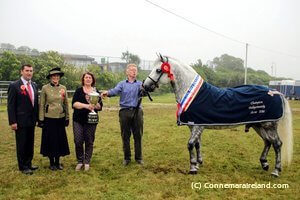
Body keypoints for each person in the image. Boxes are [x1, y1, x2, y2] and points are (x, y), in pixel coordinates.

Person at [102, 63, 144, 166]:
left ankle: (138, 158)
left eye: (135, 70)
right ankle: (127, 158)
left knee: (138, 135)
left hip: (137, 111)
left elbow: (147, 91)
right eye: (132, 70)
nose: (134, 72)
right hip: (124, 112)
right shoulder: (122, 84)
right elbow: (115, 91)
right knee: (125, 136)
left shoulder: (140, 84)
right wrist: (107, 92)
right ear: (127, 72)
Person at [7, 64, 39, 175]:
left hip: (31, 120)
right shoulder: (14, 85)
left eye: (31, 71)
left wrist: (37, 118)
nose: (29, 73)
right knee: (22, 144)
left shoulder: (34, 85)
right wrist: (12, 121)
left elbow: (35, 103)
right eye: (27, 70)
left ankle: (29, 163)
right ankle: (23, 166)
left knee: (30, 143)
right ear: (21, 71)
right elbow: (11, 105)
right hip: (20, 121)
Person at [38, 67, 70, 170]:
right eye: (53, 76)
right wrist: (41, 119)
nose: (55, 78)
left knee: (59, 140)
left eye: (57, 76)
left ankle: (58, 162)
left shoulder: (63, 88)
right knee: (51, 140)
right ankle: (52, 163)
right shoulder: (45, 88)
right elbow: (42, 104)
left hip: (60, 117)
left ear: (59, 77)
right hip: (49, 118)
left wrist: (67, 117)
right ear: (50, 78)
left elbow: (66, 103)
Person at [72, 72, 103, 171]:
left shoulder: (96, 92)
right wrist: (86, 106)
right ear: (83, 79)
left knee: (89, 141)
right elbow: (74, 104)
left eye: (90, 77)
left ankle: (87, 161)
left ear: (92, 80)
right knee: (78, 141)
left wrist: (95, 104)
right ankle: (80, 161)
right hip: (78, 120)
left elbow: (99, 107)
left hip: (91, 120)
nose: (88, 79)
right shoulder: (78, 91)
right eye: (86, 77)